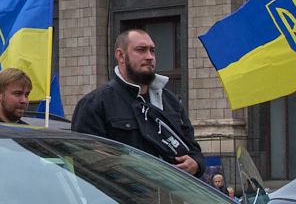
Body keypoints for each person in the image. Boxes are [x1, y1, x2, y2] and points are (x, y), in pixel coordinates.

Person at [71, 28, 203, 175]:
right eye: (141, 50)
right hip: (122, 196)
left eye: (152, 51)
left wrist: (195, 164)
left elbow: (194, 150)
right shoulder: (95, 103)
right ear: (120, 55)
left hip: (175, 196)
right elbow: (85, 165)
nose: (149, 57)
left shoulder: (170, 100)